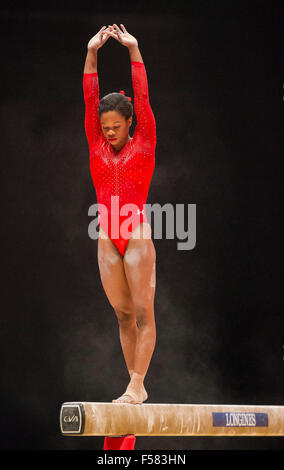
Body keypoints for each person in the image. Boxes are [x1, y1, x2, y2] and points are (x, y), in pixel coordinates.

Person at [83, 24, 157, 404]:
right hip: (106, 238)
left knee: (144, 313)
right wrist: (92, 52)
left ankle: (137, 384)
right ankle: (133, 388)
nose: (109, 132)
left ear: (130, 123)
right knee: (123, 316)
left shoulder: (144, 141)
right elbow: (89, 94)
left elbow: (141, 96)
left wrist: (133, 49)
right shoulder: (95, 141)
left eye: (116, 126)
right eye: (104, 127)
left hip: (136, 234)